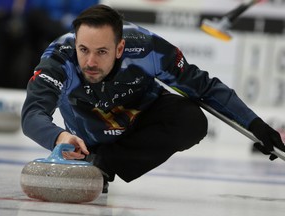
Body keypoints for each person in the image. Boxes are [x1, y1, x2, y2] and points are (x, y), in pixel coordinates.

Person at [21, 4, 285, 193]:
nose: (90, 62)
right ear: (75, 43)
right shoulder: (59, 58)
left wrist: (255, 125)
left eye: (102, 51)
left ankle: (103, 165)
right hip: (90, 136)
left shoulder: (147, 48)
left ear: (120, 48)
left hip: (143, 122)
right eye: (83, 50)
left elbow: (204, 88)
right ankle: (96, 160)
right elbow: (33, 115)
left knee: (191, 120)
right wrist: (60, 137)